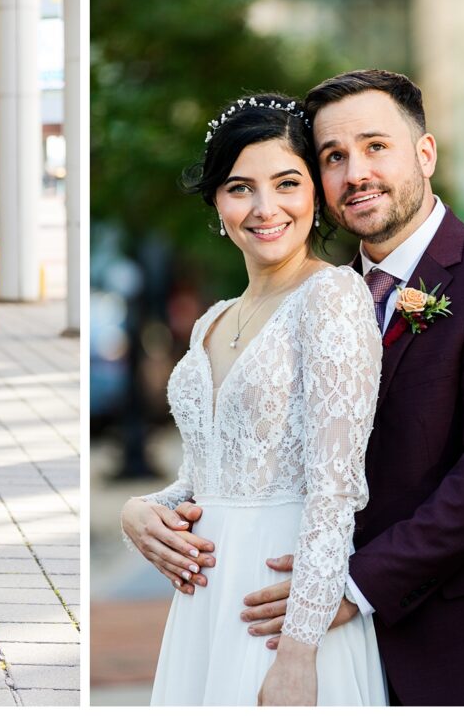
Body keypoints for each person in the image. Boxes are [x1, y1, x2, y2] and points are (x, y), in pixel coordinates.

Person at [135, 70, 464, 706]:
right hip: (316, 619)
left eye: (377, 147)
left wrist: (350, 588)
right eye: (333, 157)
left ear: (424, 154)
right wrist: (145, 508)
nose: (356, 173)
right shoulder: (321, 290)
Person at [121, 93, 387, 706]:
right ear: (216, 202)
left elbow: (335, 491)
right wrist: (141, 510)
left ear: (315, 194)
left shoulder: (333, 299)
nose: (266, 209)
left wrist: (299, 652)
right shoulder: (212, 320)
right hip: (205, 603)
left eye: (287, 184)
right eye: (241, 188)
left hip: (284, 609)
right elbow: (207, 476)